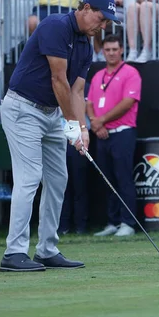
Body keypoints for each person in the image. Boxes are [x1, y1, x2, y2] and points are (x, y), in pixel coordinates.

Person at [0, 0, 120, 272]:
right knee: (29, 178)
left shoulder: (86, 46)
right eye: (101, 19)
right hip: (22, 109)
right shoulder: (55, 25)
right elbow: (58, 81)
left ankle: (47, 250)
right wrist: (71, 126)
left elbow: (77, 91)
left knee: (58, 179)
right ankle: (13, 253)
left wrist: (82, 130)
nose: (102, 26)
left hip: (52, 113)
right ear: (86, 8)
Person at [88, 35, 141, 238]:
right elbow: (89, 103)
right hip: (101, 135)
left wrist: (101, 121)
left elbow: (128, 102)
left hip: (122, 133)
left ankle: (128, 223)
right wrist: (94, 122)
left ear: (121, 51)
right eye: (107, 49)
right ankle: (113, 222)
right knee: (107, 180)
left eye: (114, 49)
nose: (110, 53)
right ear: (102, 51)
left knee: (123, 179)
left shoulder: (131, 73)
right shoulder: (98, 75)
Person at [59, 81, 91, 236]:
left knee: (79, 185)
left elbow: (84, 110)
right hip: (57, 141)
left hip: (78, 140)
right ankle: (62, 226)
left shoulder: (81, 85)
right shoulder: (55, 84)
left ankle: (80, 226)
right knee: (60, 186)